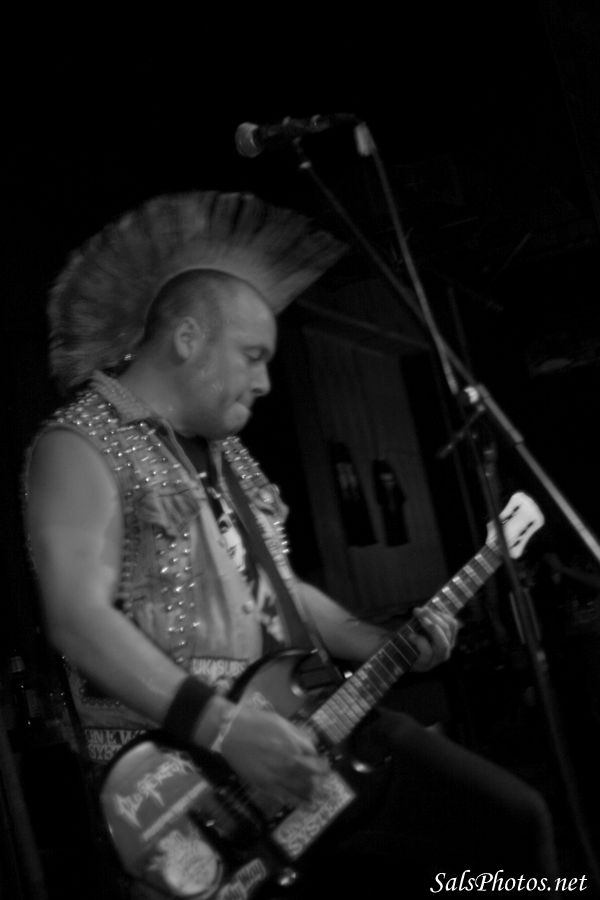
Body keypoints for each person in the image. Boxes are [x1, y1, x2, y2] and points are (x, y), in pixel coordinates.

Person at [24, 191, 559, 899]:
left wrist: (382, 642)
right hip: (187, 782)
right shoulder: (78, 444)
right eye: (252, 356)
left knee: (514, 832)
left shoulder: (232, 458)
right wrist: (221, 729)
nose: (265, 381)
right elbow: (77, 618)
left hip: (310, 727)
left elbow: (279, 589)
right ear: (188, 338)